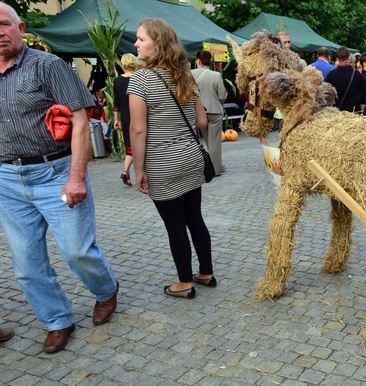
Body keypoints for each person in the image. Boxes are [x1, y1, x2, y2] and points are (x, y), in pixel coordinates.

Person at [0, 2, 119, 353]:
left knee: (77, 251)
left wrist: (76, 177)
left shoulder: (47, 65)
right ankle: (56, 320)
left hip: (55, 172)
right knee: (26, 264)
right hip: (8, 179)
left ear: (20, 27)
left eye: (3, 25)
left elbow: (81, 121)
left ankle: (106, 290)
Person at [128, 18, 215, 299]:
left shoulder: (141, 79)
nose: (136, 44)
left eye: (141, 39)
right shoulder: (185, 75)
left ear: (158, 43)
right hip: (190, 157)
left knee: (175, 225)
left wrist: (138, 169)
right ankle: (206, 272)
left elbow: (138, 129)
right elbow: (201, 121)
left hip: (161, 162)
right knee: (195, 219)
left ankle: (184, 283)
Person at [191, 49, 227, 177]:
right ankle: (216, 169)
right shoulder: (216, 75)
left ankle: (207, 166)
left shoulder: (190, 74)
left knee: (206, 140)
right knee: (215, 141)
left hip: (198, 111)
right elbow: (222, 95)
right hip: (215, 111)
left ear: (198, 60)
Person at [113, 53, 142, 186]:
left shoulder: (117, 81)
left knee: (129, 145)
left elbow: (116, 103)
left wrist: (116, 119)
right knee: (142, 143)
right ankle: (140, 173)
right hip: (139, 114)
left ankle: (126, 171)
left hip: (125, 116)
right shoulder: (139, 78)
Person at [325, 46, 366, 113]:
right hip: (354, 110)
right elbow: (363, 95)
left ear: (337, 58)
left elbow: (326, 94)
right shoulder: (357, 74)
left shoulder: (331, 74)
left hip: (337, 111)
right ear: (349, 57)